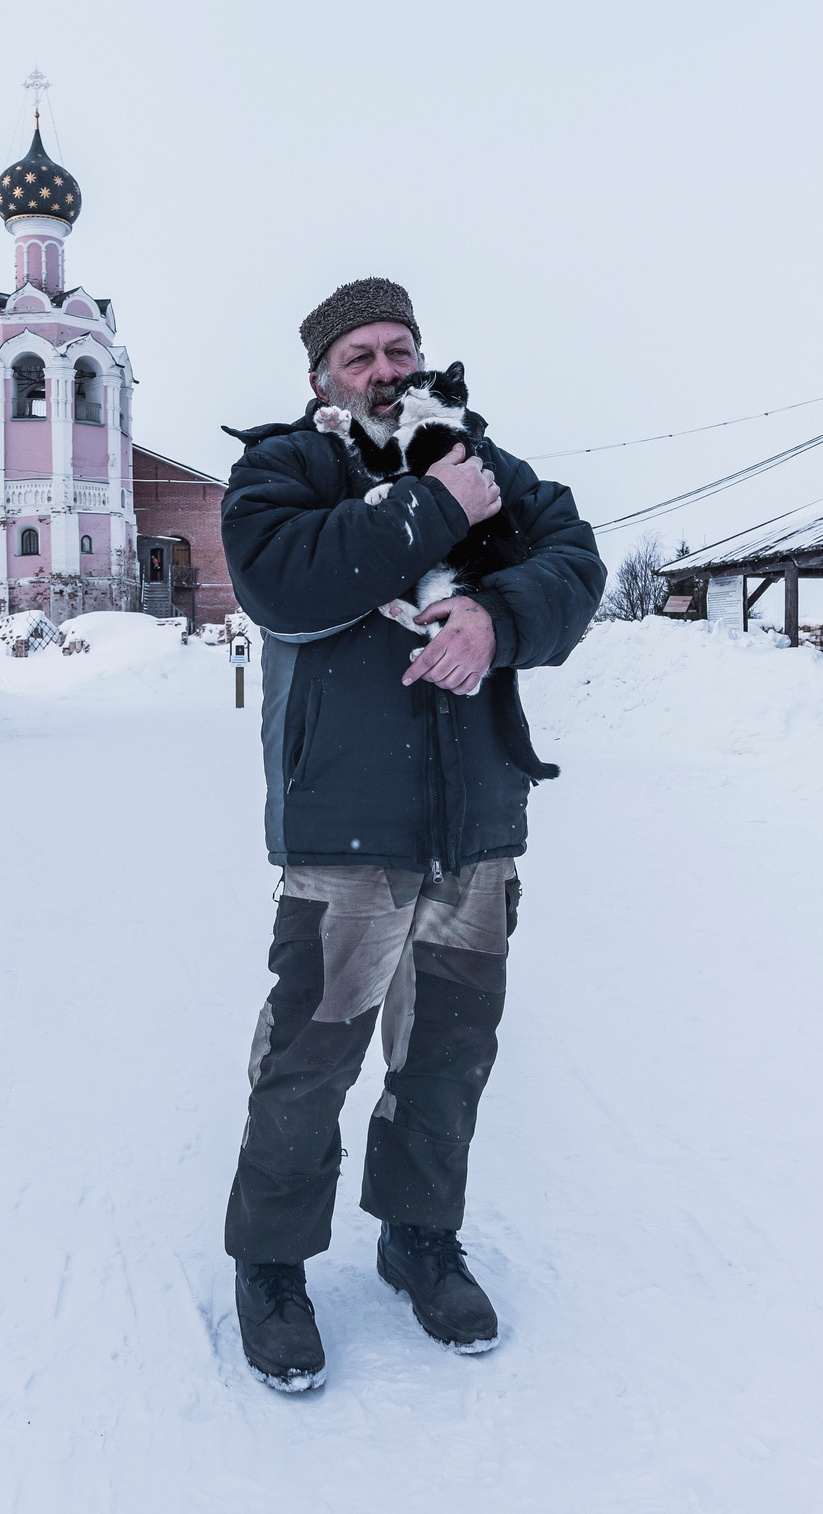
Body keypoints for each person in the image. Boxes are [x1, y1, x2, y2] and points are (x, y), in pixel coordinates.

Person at [217, 277, 604, 1391]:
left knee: (445, 1053)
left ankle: (418, 1238)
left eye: (400, 348)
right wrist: (435, 507)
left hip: (475, 824)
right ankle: (274, 1263)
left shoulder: (486, 464)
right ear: (321, 377)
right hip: (344, 833)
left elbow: (572, 562)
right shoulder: (287, 468)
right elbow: (284, 582)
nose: (386, 369)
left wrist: (495, 613)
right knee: (308, 1059)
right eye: (359, 356)